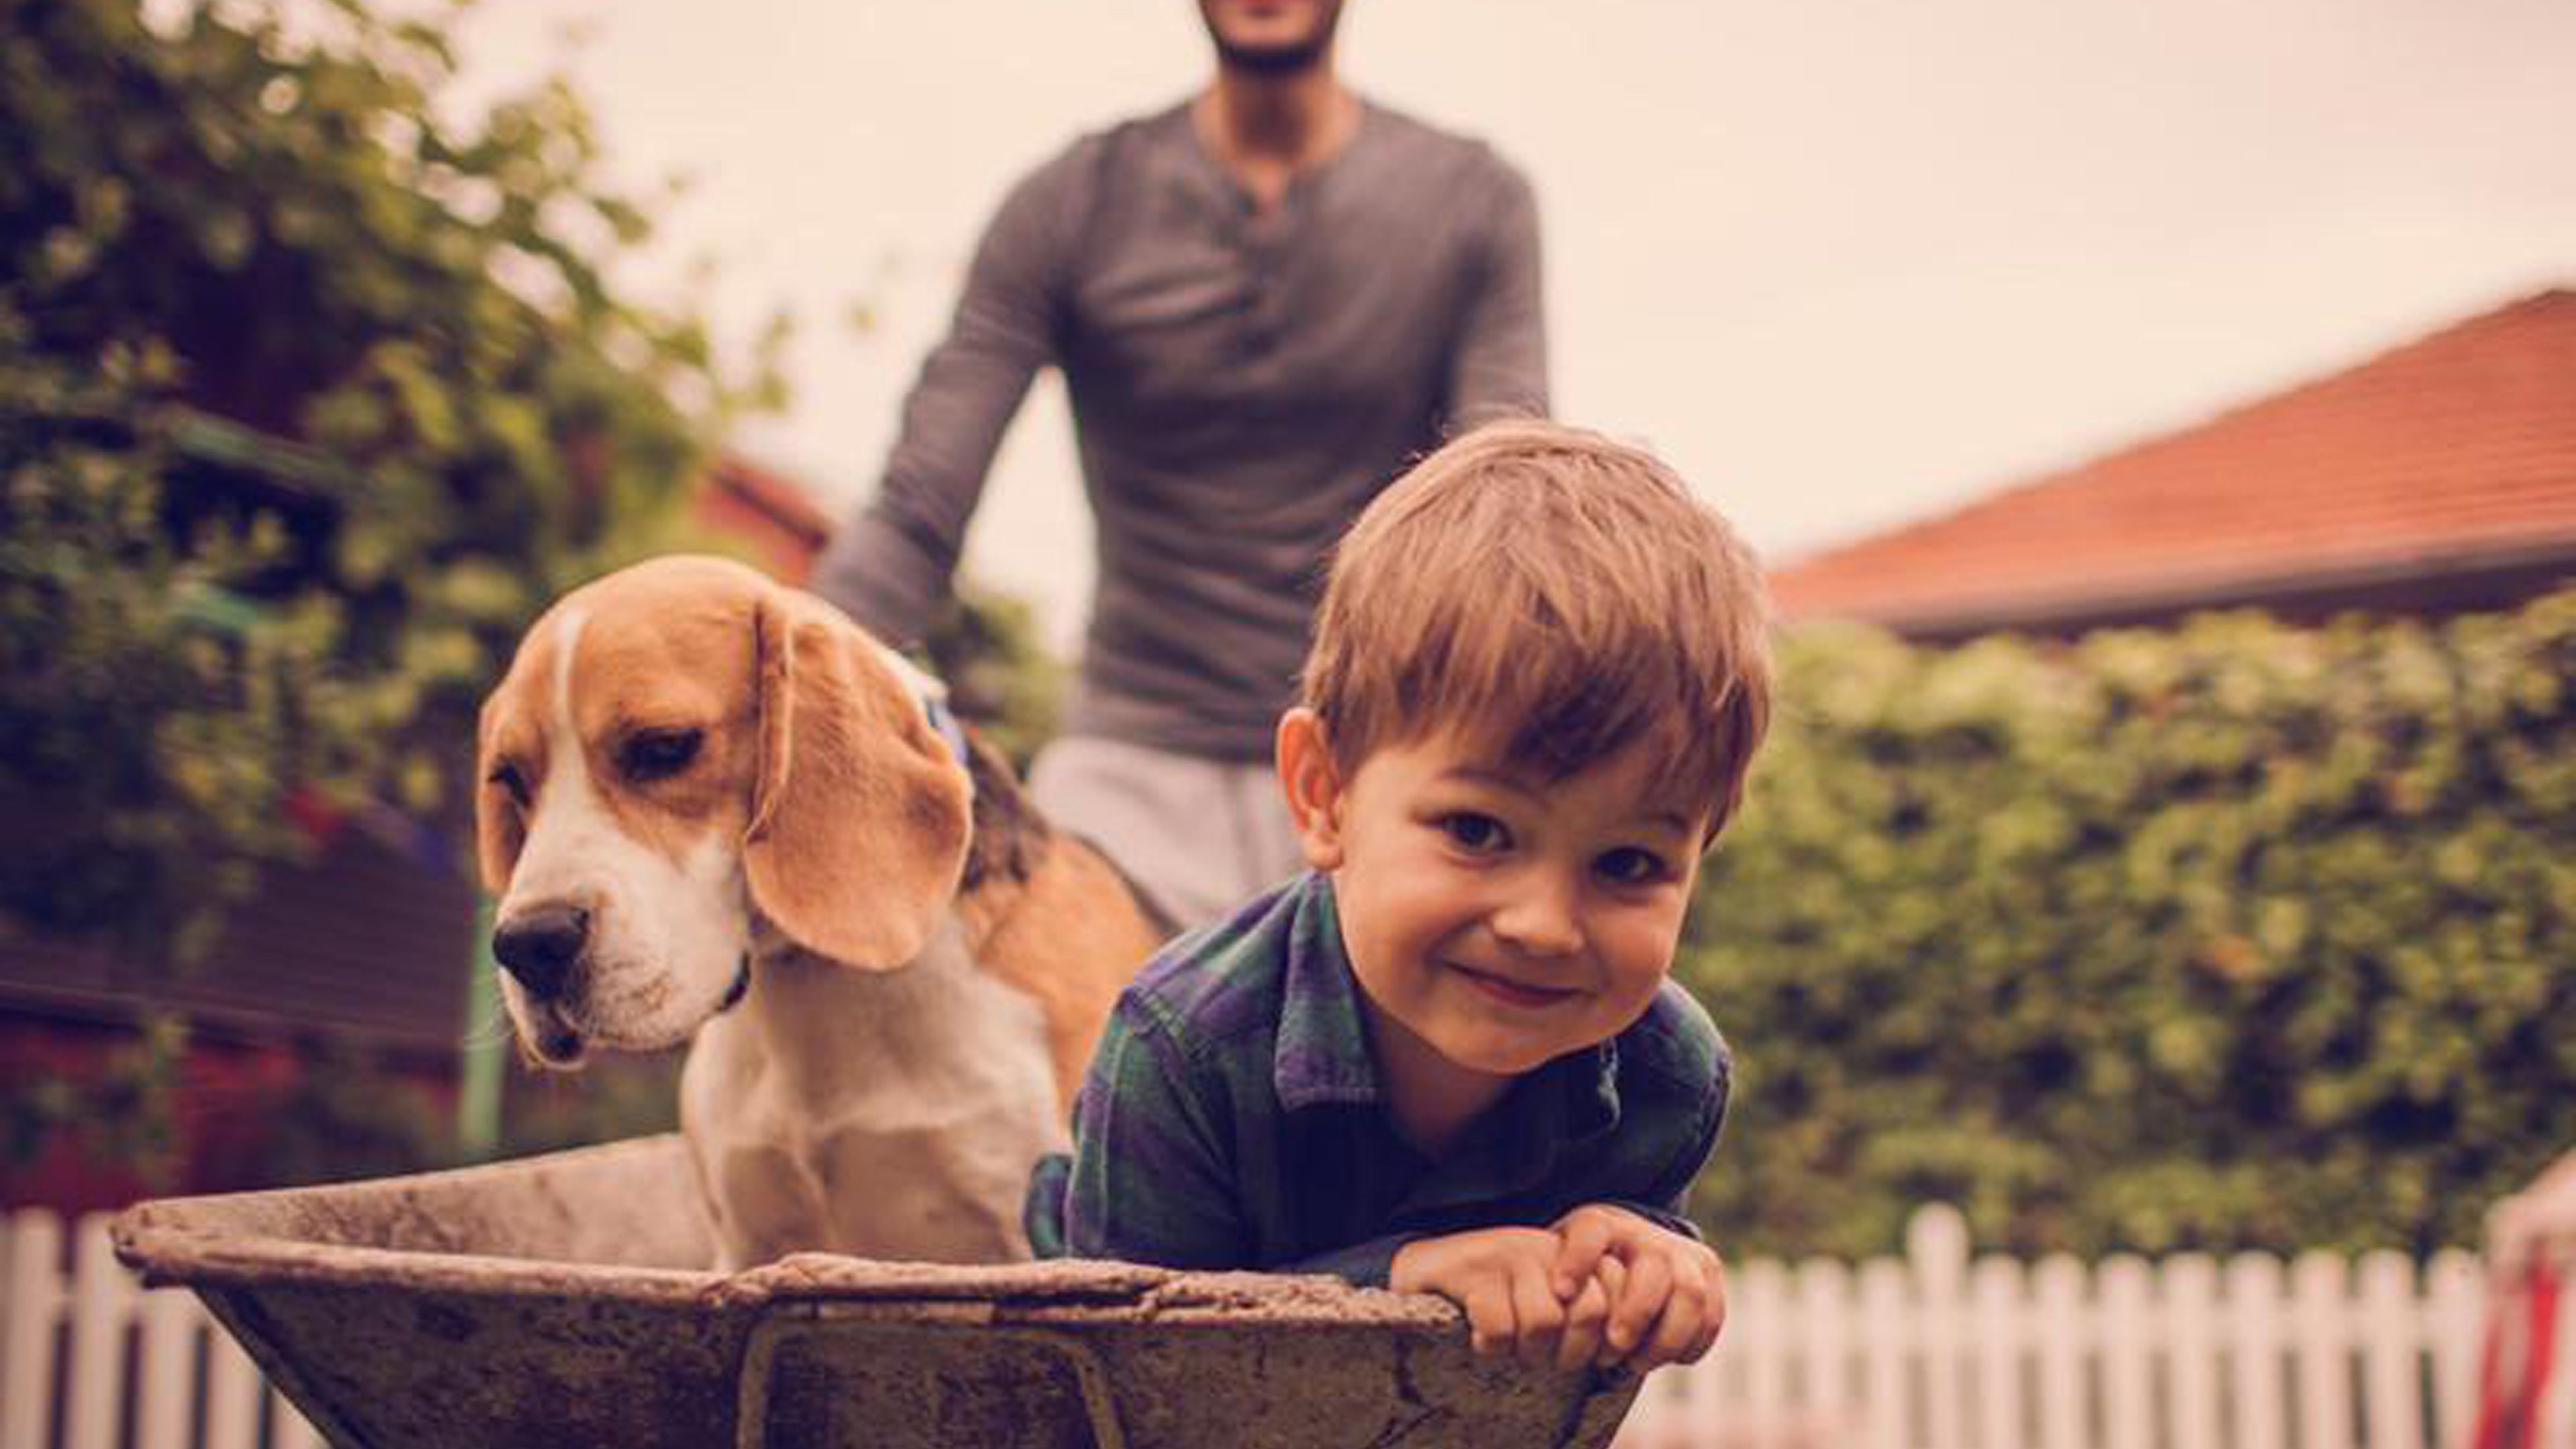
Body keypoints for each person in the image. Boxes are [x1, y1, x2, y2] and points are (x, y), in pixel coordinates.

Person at [1026, 420, 1772, 1373]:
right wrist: (1394, 1281)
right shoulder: (1181, 1049)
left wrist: (1646, 1252)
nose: (1543, 926)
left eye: (1627, 863)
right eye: (1475, 831)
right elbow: (1137, 1380)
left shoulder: (1668, 1076)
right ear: (1323, 793)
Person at [808, 0, 1548, 931]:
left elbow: (1502, 501)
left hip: (1380, 763)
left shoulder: (1471, 202)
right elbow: (918, 509)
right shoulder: (1069, 204)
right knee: (1089, 1047)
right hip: (1129, 779)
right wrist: (792, 686)